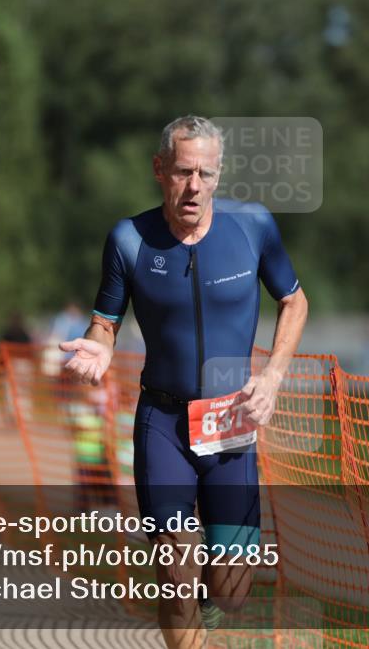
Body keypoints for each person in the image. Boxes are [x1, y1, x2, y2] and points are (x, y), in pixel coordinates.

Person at [61, 115, 308, 648]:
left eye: (206, 174)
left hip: (231, 422)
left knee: (232, 591)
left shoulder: (253, 227)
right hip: (164, 421)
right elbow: (105, 322)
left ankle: (205, 604)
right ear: (160, 170)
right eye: (182, 172)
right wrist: (98, 350)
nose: (194, 186)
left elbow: (294, 299)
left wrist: (273, 377)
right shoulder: (129, 239)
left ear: (219, 174)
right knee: (175, 576)